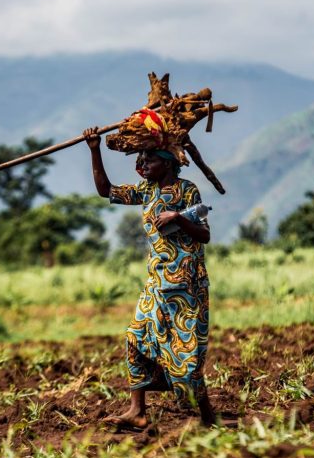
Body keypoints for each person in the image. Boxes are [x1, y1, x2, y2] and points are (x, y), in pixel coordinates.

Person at [83, 126, 217, 429]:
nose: (140, 164)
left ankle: (209, 418)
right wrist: (94, 148)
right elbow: (107, 190)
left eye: (148, 159)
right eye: (139, 159)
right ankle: (137, 411)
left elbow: (205, 235)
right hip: (156, 285)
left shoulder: (187, 190)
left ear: (167, 162)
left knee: (186, 354)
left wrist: (179, 217)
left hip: (186, 287)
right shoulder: (146, 191)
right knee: (136, 338)